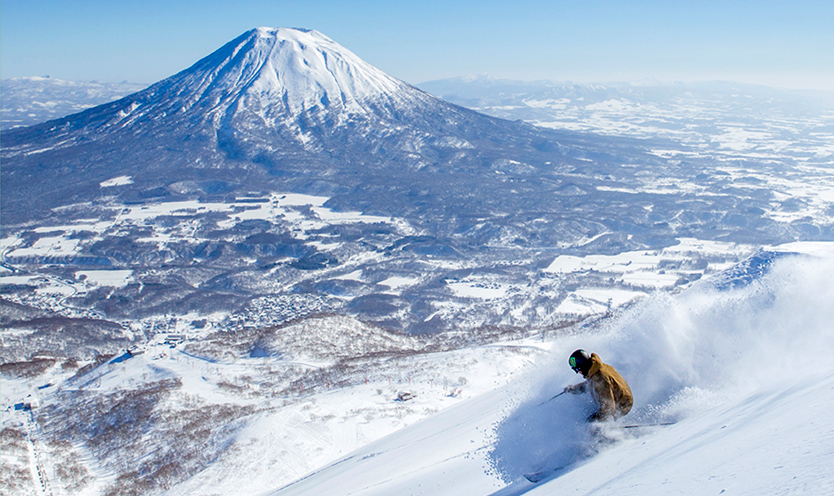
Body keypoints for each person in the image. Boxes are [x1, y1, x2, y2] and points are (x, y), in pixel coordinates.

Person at [564, 349, 633, 421]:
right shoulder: (595, 368)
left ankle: (605, 429)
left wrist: (598, 424)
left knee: (591, 421)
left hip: (623, 404)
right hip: (617, 397)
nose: (579, 373)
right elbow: (589, 385)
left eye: (578, 370)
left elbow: (608, 407)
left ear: (581, 367)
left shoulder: (600, 379)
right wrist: (573, 389)